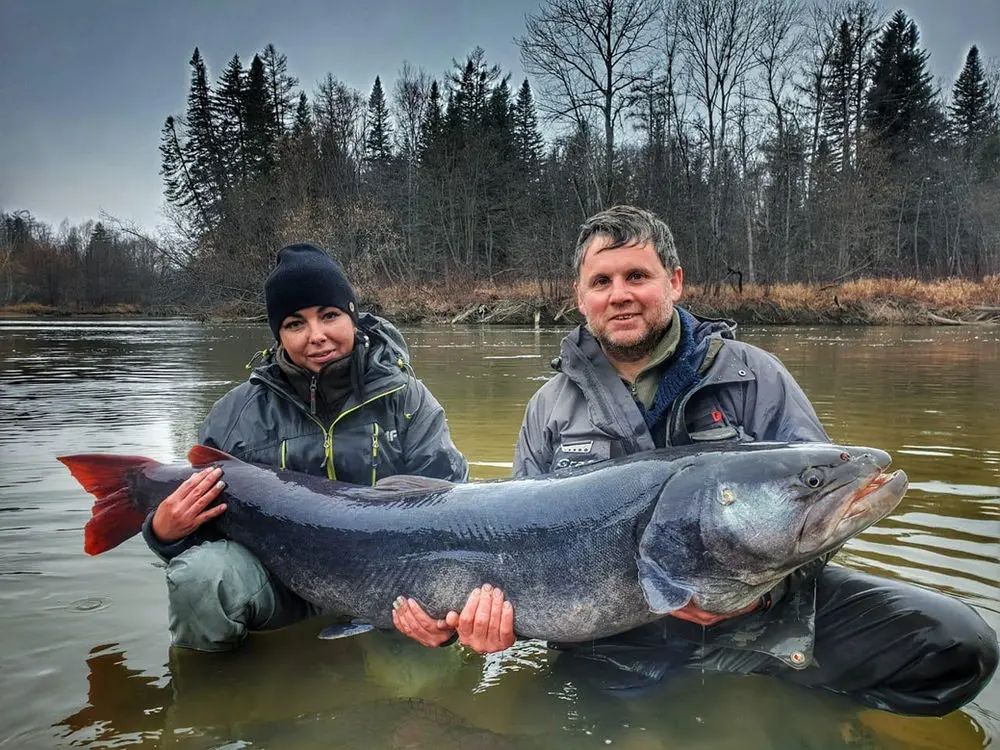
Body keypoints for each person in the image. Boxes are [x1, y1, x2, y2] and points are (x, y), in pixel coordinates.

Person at [408, 205, 998, 716]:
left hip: (761, 618)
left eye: (638, 275)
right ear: (580, 297)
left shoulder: (755, 375)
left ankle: (794, 707)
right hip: (613, 638)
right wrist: (481, 622)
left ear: (675, 282)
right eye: (602, 280)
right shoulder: (549, 409)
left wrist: (757, 597)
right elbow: (515, 547)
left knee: (952, 646)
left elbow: (814, 525)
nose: (620, 294)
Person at [142, 242, 474, 652]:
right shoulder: (235, 414)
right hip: (279, 580)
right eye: (295, 324)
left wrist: (445, 618)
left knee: (419, 687)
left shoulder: (408, 400)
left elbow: (455, 515)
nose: (316, 336)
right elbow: (206, 526)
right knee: (200, 578)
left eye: (329, 315)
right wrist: (163, 533)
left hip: (393, 589)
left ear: (352, 316)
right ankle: (215, 701)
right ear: (278, 334)